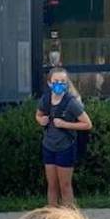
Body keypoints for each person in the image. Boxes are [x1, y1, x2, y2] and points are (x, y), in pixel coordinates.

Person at [36, 68, 93, 207]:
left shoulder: (71, 102)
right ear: (50, 83)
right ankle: (53, 217)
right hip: (48, 146)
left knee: (65, 186)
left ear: (67, 83)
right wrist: (40, 120)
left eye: (62, 81)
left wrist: (65, 124)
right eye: (56, 81)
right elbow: (38, 115)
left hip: (65, 147)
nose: (59, 84)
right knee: (52, 185)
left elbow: (87, 124)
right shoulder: (46, 99)